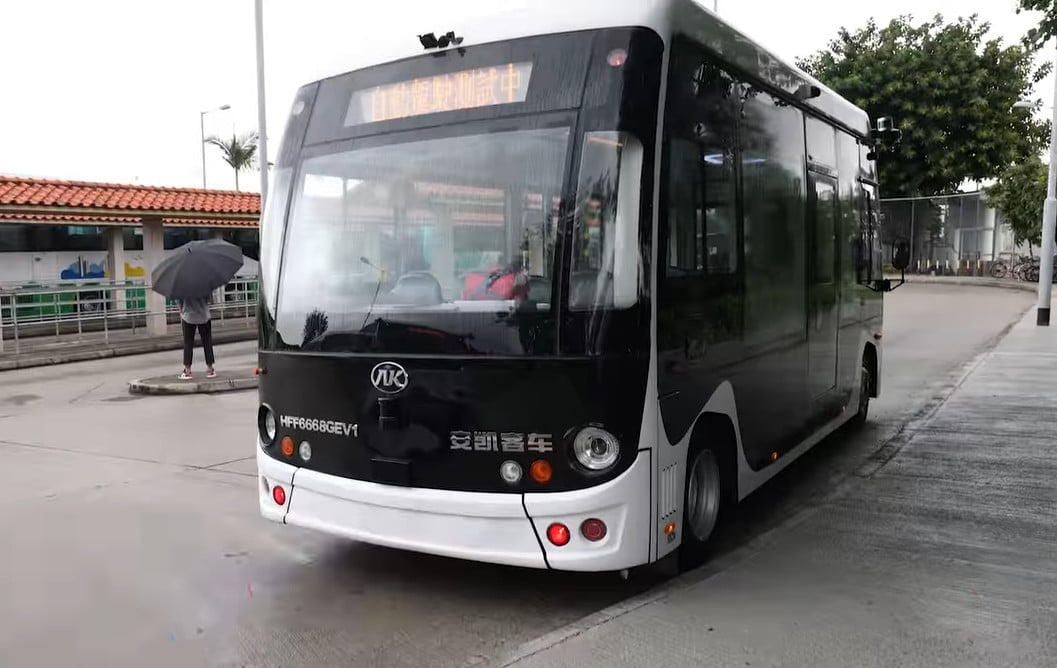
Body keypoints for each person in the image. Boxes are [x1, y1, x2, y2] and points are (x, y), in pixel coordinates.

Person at [178, 294, 216, 379]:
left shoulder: (183, 285)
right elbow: (210, 300)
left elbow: (180, 300)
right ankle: (210, 369)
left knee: (188, 343)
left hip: (188, 316)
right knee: (207, 342)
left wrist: (181, 310)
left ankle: (187, 371)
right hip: (204, 316)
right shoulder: (205, 283)